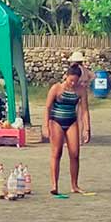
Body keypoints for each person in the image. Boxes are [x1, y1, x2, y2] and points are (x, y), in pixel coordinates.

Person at [45, 64, 91, 195]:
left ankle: (74, 185)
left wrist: (87, 129)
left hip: (71, 121)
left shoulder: (81, 90)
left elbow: (84, 111)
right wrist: (46, 125)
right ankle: (54, 185)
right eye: (70, 80)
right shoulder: (56, 88)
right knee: (57, 153)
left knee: (75, 154)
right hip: (56, 121)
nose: (72, 83)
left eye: (75, 81)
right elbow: (47, 107)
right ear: (66, 76)